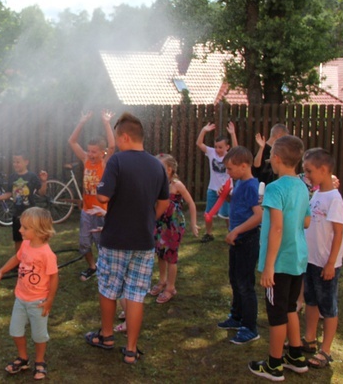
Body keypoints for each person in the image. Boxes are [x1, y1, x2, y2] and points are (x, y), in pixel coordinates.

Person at [84, 112, 169, 365]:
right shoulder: (157, 165)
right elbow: (163, 202)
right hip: (144, 240)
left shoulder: (117, 161)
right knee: (135, 294)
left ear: (124, 136)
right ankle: (131, 349)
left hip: (115, 239)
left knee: (109, 289)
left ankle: (107, 336)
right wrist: (148, 219)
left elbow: (102, 198)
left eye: (117, 139)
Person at [249, 135, 311, 381]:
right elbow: (306, 221)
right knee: (289, 309)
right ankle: (296, 356)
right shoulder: (302, 186)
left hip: (279, 264)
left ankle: (274, 365)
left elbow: (275, 229)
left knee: (276, 316)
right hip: (297, 259)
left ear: (275, 158)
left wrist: (269, 268)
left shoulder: (274, 188)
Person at [0, 207, 59, 381]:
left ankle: (40, 361)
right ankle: (23, 358)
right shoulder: (26, 244)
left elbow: (54, 278)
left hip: (38, 301)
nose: (20, 230)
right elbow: (17, 258)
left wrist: (49, 300)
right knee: (15, 331)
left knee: (39, 335)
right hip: (20, 298)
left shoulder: (47, 254)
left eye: (25, 228)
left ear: (39, 231)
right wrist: (2, 271)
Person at [300, 148, 343, 369]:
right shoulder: (317, 193)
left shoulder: (334, 199)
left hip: (327, 264)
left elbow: (338, 233)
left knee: (328, 306)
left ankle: (325, 350)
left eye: (309, 171)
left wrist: (330, 263)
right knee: (310, 300)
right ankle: (309, 338)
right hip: (311, 260)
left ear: (324, 169)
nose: (306, 175)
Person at [217, 146, 263, 345]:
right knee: (235, 279)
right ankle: (236, 317)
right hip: (237, 240)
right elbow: (239, 205)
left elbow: (259, 215)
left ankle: (250, 327)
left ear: (244, 166)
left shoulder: (252, 185)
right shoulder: (239, 183)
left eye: (230, 168)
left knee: (245, 284)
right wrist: (227, 197)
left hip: (247, 240)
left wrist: (236, 231)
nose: (228, 172)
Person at [67, 109, 115, 281]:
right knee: (84, 243)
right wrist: (81, 122)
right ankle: (92, 267)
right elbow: (72, 141)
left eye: (94, 151)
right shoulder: (86, 160)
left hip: (101, 210)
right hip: (87, 210)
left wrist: (106, 123)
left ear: (101, 153)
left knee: (102, 243)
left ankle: (104, 269)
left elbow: (112, 146)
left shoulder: (105, 162)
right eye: (89, 151)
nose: (90, 154)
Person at [149, 154, 198, 304]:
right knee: (160, 253)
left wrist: (193, 223)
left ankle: (170, 287)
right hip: (159, 223)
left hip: (174, 225)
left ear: (169, 169)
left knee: (171, 256)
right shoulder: (156, 184)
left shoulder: (177, 185)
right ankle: (162, 281)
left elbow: (191, 203)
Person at [0, 152, 48, 253]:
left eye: (18, 162)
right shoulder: (12, 177)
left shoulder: (32, 176)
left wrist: (44, 181)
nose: (15, 164)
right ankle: (19, 262)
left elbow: (41, 193)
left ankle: (33, 258)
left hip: (30, 214)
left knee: (31, 238)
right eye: (14, 162)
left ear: (26, 162)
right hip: (17, 214)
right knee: (18, 239)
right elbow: (8, 193)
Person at [197, 121, 238, 242]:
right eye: (216, 146)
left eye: (220, 147)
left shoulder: (230, 155)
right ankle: (208, 234)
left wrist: (233, 134)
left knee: (227, 214)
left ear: (227, 147)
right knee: (208, 213)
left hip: (227, 191)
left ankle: (231, 233)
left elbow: (237, 149)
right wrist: (204, 130)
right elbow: (199, 143)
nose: (217, 149)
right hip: (212, 189)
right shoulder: (211, 152)